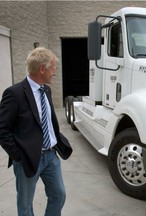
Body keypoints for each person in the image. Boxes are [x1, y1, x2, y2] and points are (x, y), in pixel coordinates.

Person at [0, 47, 73, 216]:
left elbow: (49, 122)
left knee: (59, 195)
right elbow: (2, 128)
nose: (54, 72)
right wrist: (19, 155)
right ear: (42, 69)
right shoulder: (14, 93)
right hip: (27, 159)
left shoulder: (46, 90)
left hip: (51, 157)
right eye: (53, 67)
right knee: (25, 205)